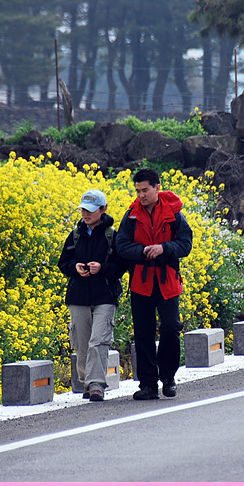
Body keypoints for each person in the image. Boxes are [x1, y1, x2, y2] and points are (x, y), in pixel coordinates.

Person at [115, 168, 193, 400]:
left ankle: (168, 378)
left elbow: (185, 244)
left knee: (171, 327)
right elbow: (121, 245)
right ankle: (148, 384)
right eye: (138, 191)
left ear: (157, 188)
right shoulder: (130, 216)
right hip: (141, 282)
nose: (141, 195)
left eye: (145, 190)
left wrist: (163, 248)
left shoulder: (175, 214)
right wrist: (143, 252)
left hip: (168, 280)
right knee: (143, 333)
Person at [58, 189, 127, 401]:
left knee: (99, 340)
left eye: (90, 210)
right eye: (83, 210)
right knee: (82, 344)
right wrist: (75, 267)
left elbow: (122, 266)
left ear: (103, 209)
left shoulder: (112, 236)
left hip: (104, 295)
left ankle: (96, 384)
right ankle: (87, 381)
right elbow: (63, 263)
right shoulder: (75, 235)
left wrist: (102, 268)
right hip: (78, 296)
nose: (85, 214)